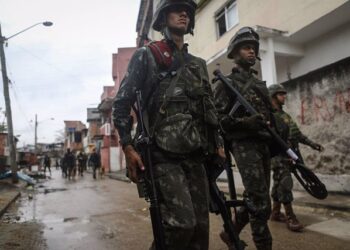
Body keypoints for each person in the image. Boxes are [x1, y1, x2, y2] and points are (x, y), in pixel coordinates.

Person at [113, 0, 223, 249]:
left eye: (188, 11)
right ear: (163, 17)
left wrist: (217, 145)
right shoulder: (147, 55)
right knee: (179, 225)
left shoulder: (198, 65)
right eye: (176, 9)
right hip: (162, 154)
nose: (183, 13)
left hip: (196, 154)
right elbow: (122, 103)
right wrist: (128, 147)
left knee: (200, 230)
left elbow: (209, 110)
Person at [214, 27, 274, 250]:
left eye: (254, 48)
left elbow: (270, 117)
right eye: (246, 47)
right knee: (260, 202)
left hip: (264, 144)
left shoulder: (259, 84)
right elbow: (216, 119)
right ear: (235, 52)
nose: (251, 51)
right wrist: (243, 124)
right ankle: (264, 245)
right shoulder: (226, 83)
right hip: (243, 145)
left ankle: (230, 232)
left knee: (256, 196)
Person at [268, 84, 324, 232]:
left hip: (290, 154)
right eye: (281, 94)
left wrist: (313, 144)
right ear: (273, 96)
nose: (284, 96)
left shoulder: (285, 116)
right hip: (278, 156)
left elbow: (297, 134)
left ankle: (275, 212)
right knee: (285, 184)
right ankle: (290, 217)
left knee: (278, 183)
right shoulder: (270, 116)